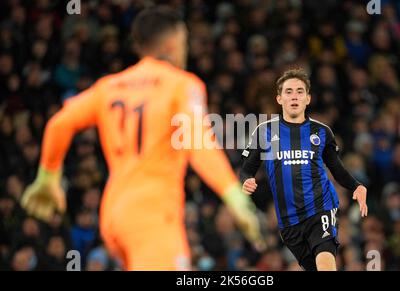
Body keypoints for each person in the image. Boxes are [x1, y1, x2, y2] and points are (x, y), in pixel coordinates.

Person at [20, 6, 265, 271]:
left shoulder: (110, 86)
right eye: (184, 42)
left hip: (114, 214)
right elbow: (196, 139)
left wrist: (48, 176)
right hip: (152, 216)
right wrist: (233, 195)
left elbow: (59, 123)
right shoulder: (181, 84)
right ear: (172, 43)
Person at [240, 68, 368, 271]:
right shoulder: (265, 131)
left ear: (308, 99)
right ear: (279, 98)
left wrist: (357, 186)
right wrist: (246, 180)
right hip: (289, 222)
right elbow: (246, 170)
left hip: (321, 208)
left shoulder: (321, 132)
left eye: (300, 91)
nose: (294, 96)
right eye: (288, 91)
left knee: (325, 258)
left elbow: (336, 168)